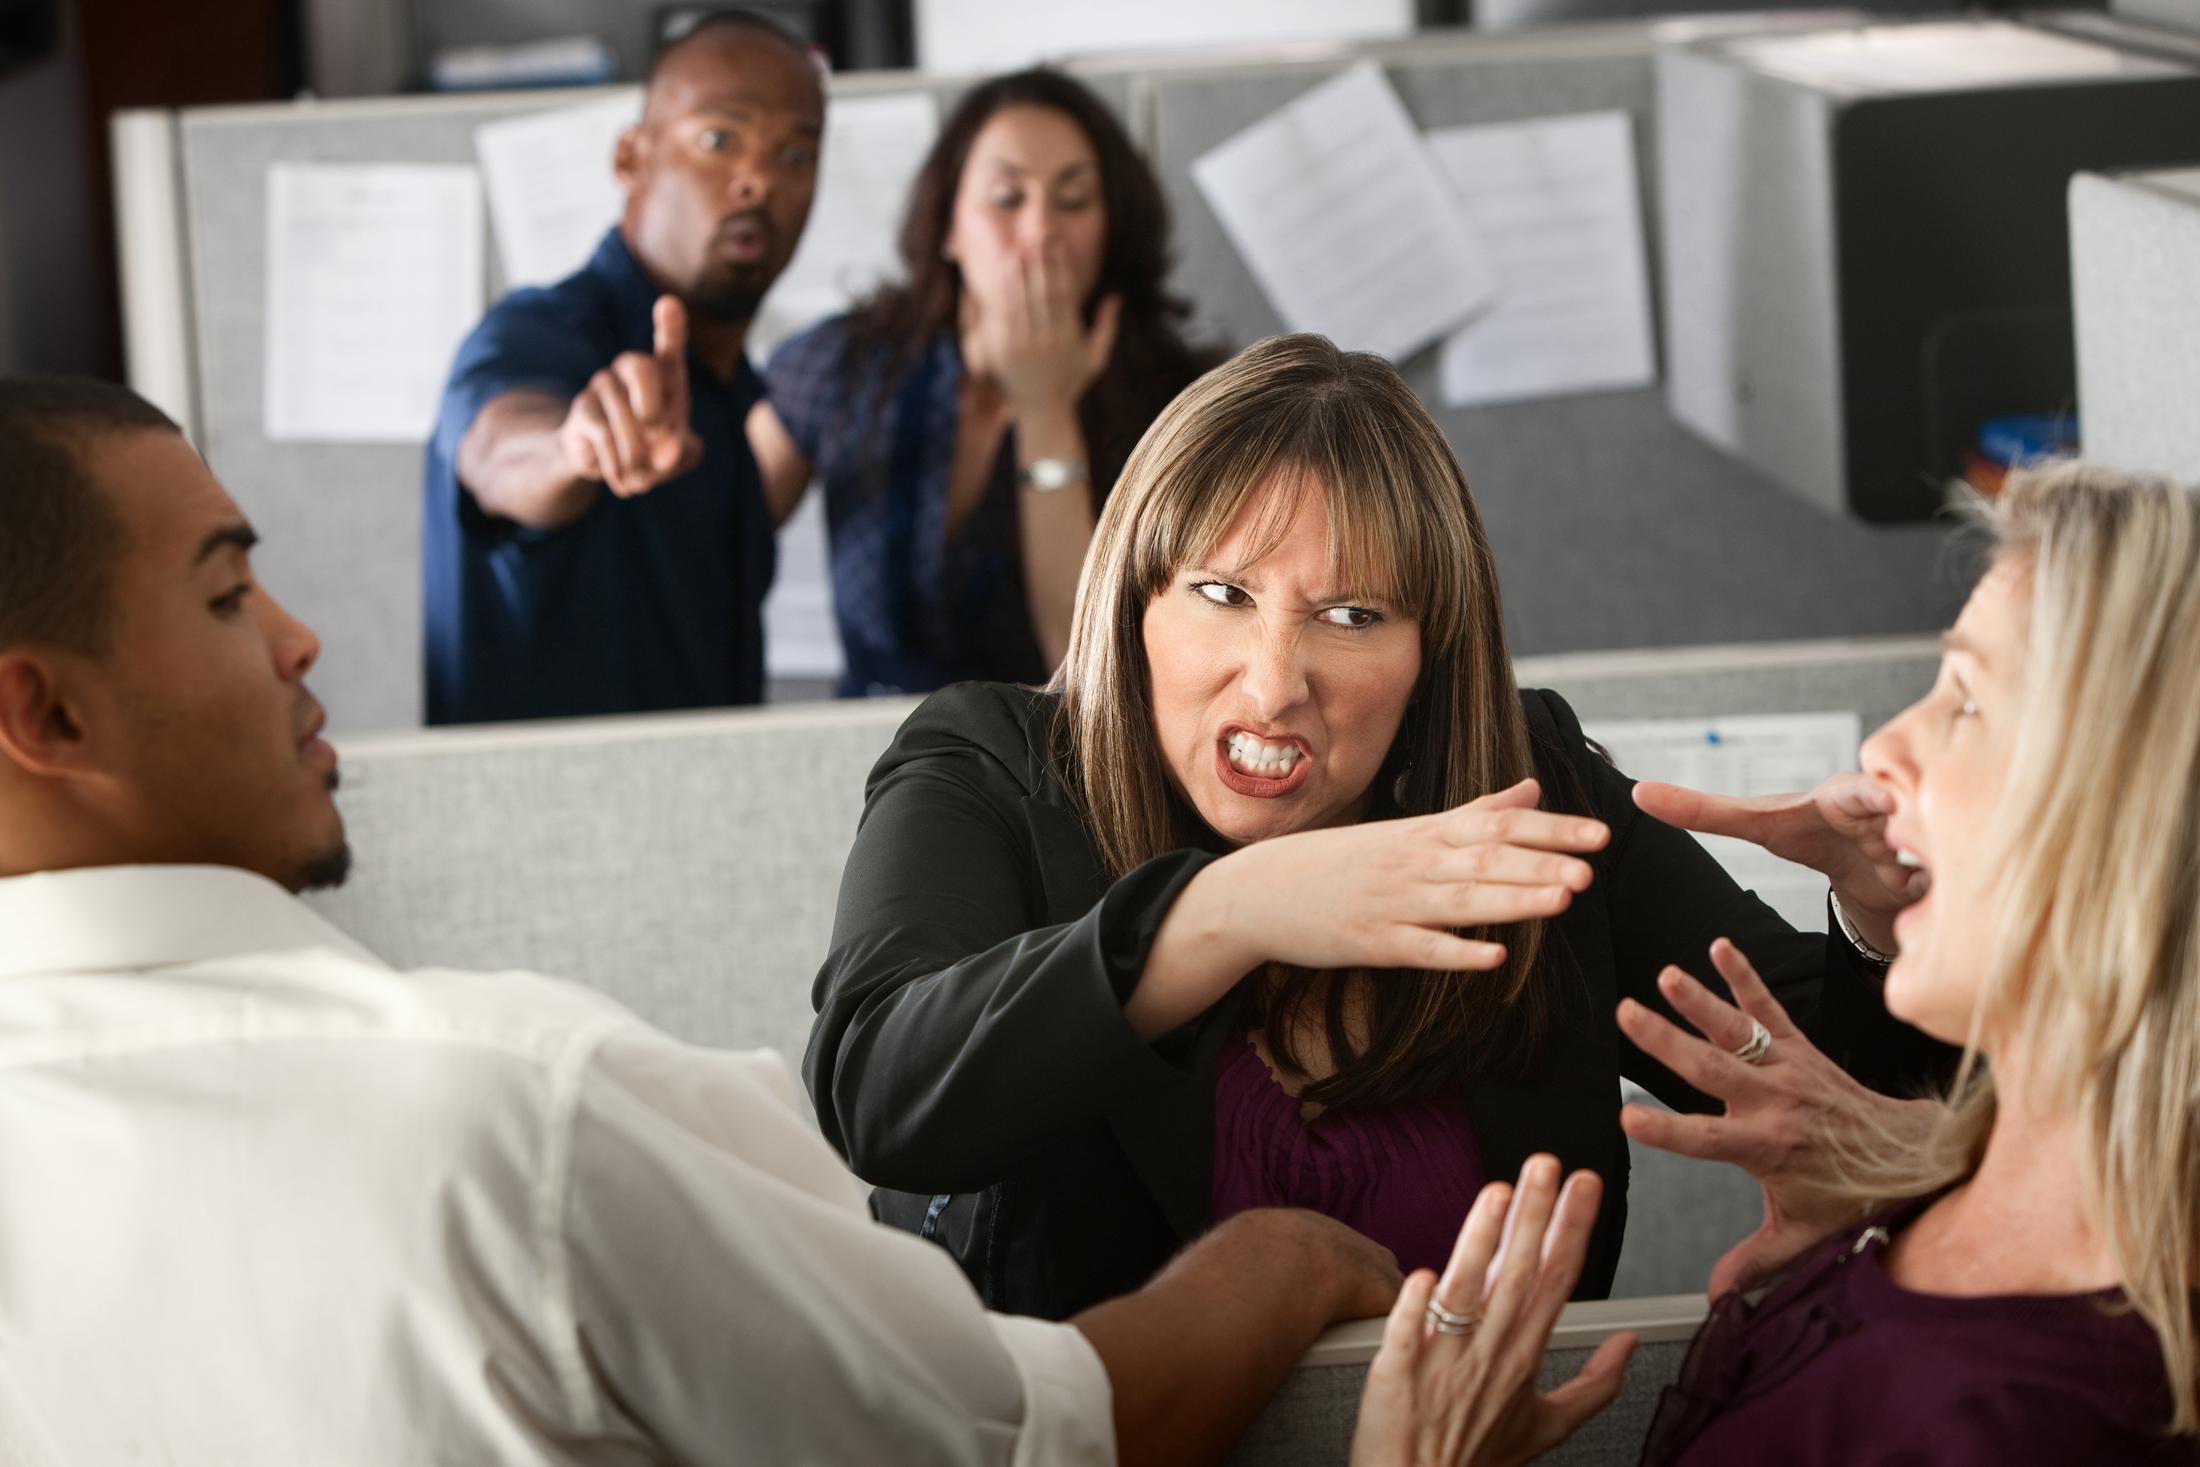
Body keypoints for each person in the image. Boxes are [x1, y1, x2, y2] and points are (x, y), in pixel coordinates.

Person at [0, 373, 1435, 1464]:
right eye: (226, 591)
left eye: (1355, 610)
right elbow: (1020, 1432)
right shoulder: (519, 1111)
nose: (297, 636)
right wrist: (1288, 1251)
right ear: (43, 709)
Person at [803, 333, 1950, 1322]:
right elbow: (882, 1093)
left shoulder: (1527, 791)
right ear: (1135, 600)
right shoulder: (994, 768)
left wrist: (1885, 927)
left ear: (1426, 655)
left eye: (1351, 616)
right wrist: (1232, 911)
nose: (1272, 685)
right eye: (1221, 594)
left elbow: (1838, 1089)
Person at [1442, 463, 2200, 1462]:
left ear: (2132, 829)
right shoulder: (1952, 1207)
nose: (1885, 742)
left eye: (1966, 702)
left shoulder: (2016, 1417)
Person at [749, 69, 1219, 696]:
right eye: (1006, 197)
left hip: (1058, 774)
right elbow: (706, 557)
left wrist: (1045, 407)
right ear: (948, 225)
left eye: (1073, 201)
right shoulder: (850, 362)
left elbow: (1083, 666)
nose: (1040, 231)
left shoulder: (1184, 409)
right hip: (867, 758)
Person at [423, 12, 819, 725]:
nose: (758, 180)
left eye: (795, 153)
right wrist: (575, 446)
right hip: (547, 826)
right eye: (718, 139)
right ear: (631, 158)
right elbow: (494, 451)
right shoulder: (538, 334)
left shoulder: (735, 395)